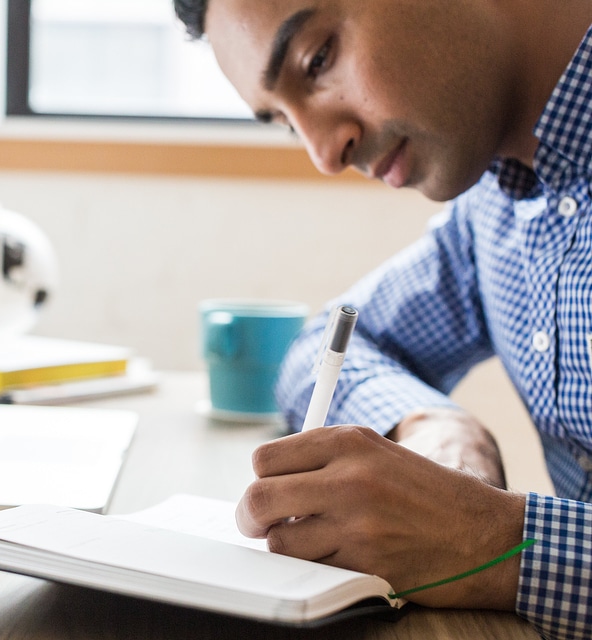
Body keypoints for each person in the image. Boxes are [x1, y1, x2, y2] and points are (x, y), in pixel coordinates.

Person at [172, 1, 592, 638]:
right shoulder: (496, 210)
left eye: (318, 60)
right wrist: (438, 427)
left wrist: (492, 541)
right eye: (286, 122)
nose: (323, 153)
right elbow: (326, 344)